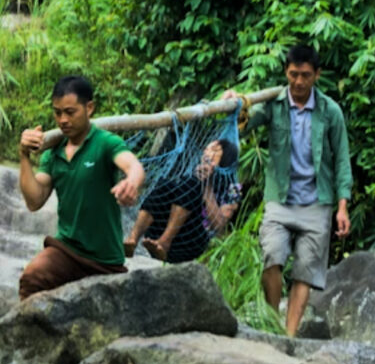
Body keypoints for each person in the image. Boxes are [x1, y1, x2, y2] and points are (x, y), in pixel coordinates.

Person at [238, 43, 352, 336]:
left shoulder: (330, 112)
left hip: (318, 202)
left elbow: (341, 160)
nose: (298, 82)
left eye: (305, 75)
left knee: (305, 271)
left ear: (317, 75)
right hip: (280, 199)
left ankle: (288, 337)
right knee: (272, 256)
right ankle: (273, 323)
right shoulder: (274, 104)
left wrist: (342, 207)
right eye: (293, 75)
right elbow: (245, 122)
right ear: (286, 73)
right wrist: (236, 107)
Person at [16, 74, 146, 298]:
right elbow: (34, 201)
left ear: (89, 108)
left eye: (70, 112)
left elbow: (133, 166)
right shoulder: (53, 153)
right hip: (67, 251)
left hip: (105, 259)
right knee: (32, 278)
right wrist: (24, 155)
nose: (63, 120)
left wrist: (131, 183)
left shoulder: (105, 142)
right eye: (57, 113)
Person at [125, 136, 243, 265]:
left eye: (214, 150)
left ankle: (164, 243)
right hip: (160, 233)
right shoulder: (192, 172)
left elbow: (219, 225)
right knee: (164, 184)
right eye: (206, 149)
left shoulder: (233, 188)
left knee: (191, 183)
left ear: (225, 159)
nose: (207, 153)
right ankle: (133, 239)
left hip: (192, 241)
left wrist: (206, 186)